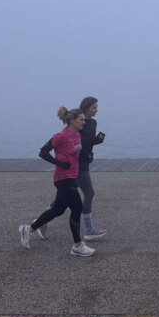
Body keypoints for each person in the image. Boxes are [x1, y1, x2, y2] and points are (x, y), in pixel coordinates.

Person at [19, 107, 96, 257]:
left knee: (58, 210)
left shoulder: (77, 136)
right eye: (81, 120)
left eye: (84, 120)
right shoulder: (61, 136)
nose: (83, 122)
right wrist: (60, 163)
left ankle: (29, 229)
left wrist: (87, 158)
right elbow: (43, 152)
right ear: (72, 121)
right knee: (77, 208)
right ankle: (77, 245)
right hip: (63, 178)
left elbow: (75, 155)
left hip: (72, 176)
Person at [37, 96, 107, 241]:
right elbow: (71, 141)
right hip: (75, 165)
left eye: (97, 107)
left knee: (62, 199)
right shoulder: (75, 124)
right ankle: (89, 230)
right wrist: (60, 162)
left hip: (83, 163)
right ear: (86, 108)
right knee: (89, 193)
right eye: (94, 107)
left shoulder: (92, 123)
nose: (96, 110)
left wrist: (95, 143)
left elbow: (85, 143)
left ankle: (40, 222)